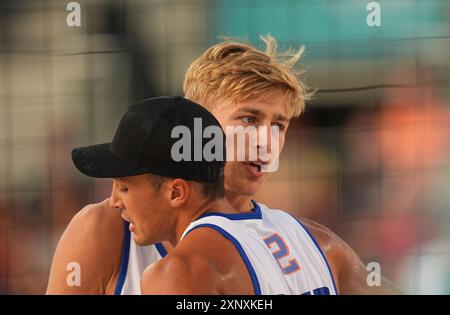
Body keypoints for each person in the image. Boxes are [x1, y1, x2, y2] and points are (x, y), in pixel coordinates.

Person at [47, 36, 401, 294]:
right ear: (196, 124)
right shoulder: (106, 227)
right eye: (248, 119)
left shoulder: (309, 241)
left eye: (278, 125)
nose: (266, 141)